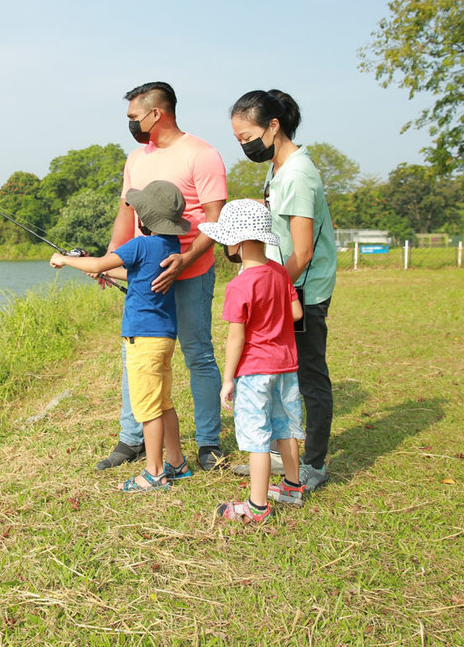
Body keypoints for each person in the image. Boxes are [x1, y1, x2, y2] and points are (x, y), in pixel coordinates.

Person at [97, 81, 227, 473]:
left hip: (191, 271)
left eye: (134, 117)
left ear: (156, 114)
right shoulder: (136, 159)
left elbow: (215, 220)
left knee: (197, 354)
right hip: (146, 276)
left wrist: (185, 260)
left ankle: (208, 442)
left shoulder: (202, 155)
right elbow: (127, 213)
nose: (131, 124)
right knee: (134, 353)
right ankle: (131, 438)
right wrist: (108, 258)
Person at [51, 180, 193, 492]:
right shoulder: (171, 247)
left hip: (142, 340)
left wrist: (65, 260)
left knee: (148, 408)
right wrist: (101, 270)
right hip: (164, 337)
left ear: (143, 218)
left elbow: (104, 260)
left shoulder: (140, 244)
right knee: (164, 403)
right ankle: (178, 462)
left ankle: (154, 472)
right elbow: (131, 272)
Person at [229, 90, 337, 492]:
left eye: (247, 136)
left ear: (273, 126)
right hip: (283, 288)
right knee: (278, 373)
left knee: (307, 376)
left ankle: (313, 464)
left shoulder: (297, 173)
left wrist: (272, 292)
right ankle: (281, 452)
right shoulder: (277, 169)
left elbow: (304, 250)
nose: (244, 145)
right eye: (238, 139)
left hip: (302, 291)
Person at [198, 199, 306, 523]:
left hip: (255, 370)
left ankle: (257, 507)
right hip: (285, 365)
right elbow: (297, 312)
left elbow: (236, 337)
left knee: (257, 436)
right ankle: (292, 486)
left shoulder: (239, 285)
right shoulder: (279, 273)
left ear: (239, 241)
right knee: (285, 427)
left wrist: (228, 379)